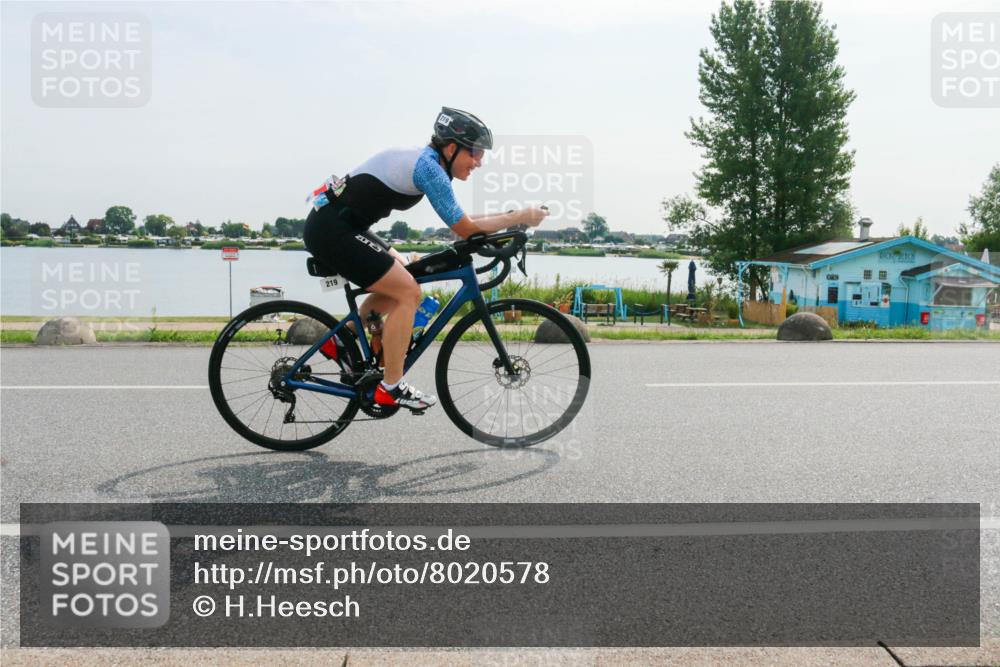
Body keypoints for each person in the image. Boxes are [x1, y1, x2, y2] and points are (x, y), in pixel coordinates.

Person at [303, 107, 548, 411]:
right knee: (408, 292)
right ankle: (391, 387)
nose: (479, 162)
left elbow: (463, 223)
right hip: (332, 230)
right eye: (475, 153)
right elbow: (465, 229)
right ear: (451, 147)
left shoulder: (431, 163)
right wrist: (519, 215)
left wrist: (512, 220)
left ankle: (341, 340)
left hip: (340, 226)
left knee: (406, 275)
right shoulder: (428, 169)